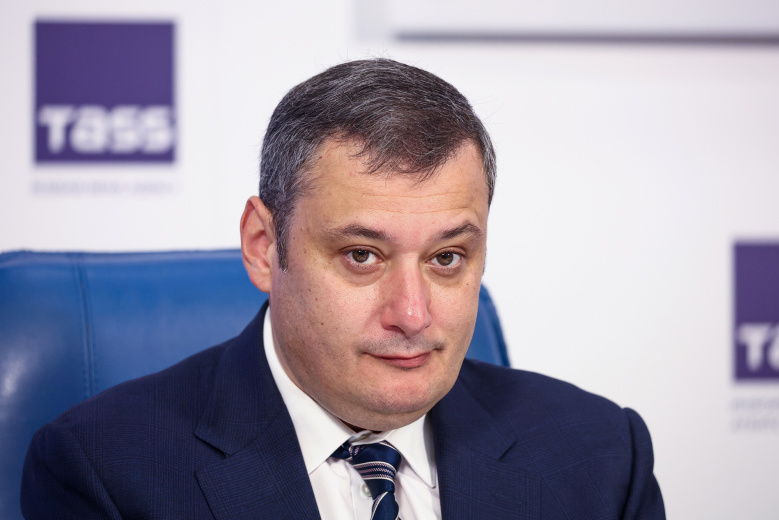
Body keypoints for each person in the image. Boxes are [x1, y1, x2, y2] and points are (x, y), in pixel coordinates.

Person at [21, 58, 665, 519]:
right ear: (264, 246)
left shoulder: (602, 459)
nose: (412, 314)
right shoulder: (106, 472)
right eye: (362, 256)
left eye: (446, 257)